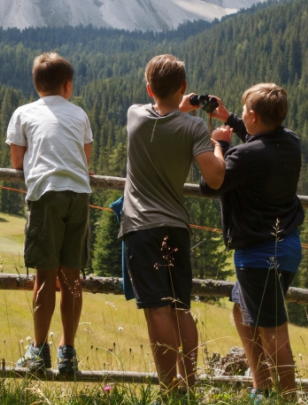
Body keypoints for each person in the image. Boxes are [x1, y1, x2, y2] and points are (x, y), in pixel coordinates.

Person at [120, 54, 225, 393]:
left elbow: (163, 115)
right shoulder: (193, 128)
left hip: (140, 227)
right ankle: (189, 385)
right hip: (176, 225)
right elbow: (215, 177)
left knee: (157, 310)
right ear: (183, 86)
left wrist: (180, 104)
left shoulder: (134, 115)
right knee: (181, 307)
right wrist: (219, 144)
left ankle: (170, 390)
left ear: (149, 88)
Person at [200, 83, 304, 399]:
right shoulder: (290, 143)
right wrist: (229, 117)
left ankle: (287, 398)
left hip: (258, 255)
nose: (242, 116)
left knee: (275, 333)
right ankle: (261, 387)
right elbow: (259, 143)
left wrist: (217, 144)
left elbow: (211, 184)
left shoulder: (243, 156)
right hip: (287, 247)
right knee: (240, 310)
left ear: (254, 116)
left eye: (245, 112)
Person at [6, 52, 93, 374]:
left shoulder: (23, 113)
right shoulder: (79, 114)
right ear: (67, 86)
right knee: (72, 278)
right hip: (79, 194)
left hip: (45, 195)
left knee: (44, 277)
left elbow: (17, 162)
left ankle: (38, 351)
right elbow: (85, 161)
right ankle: (67, 353)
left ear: (36, 84)